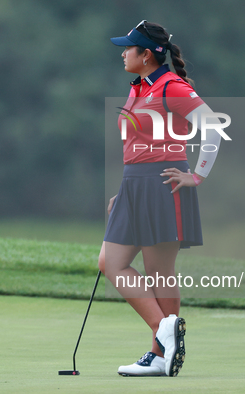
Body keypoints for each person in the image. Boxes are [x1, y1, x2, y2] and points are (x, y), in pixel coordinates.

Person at [99, 20, 223, 377]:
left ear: (148, 55)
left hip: (163, 182)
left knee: (159, 272)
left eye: (129, 48)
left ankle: (158, 352)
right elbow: (137, 147)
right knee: (111, 262)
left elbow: (212, 126)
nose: (123, 53)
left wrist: (197, 174)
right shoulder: (138, 87)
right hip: (134, 184)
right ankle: (164, 334)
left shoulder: (172, 87)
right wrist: (124, 191)